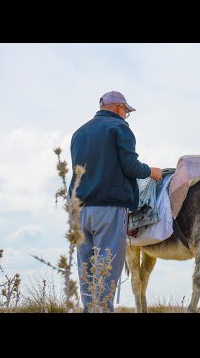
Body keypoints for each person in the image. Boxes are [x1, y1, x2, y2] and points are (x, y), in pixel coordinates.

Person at [69, 90, 162, 312]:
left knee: (87, 276)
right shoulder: (119, 128)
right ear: (120, 108)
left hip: (79, 211)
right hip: (108, 208)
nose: (126, 116)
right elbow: (131, 167)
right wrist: (152, 172)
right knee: (107, 273)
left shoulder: (78, 133)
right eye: (126, 112)